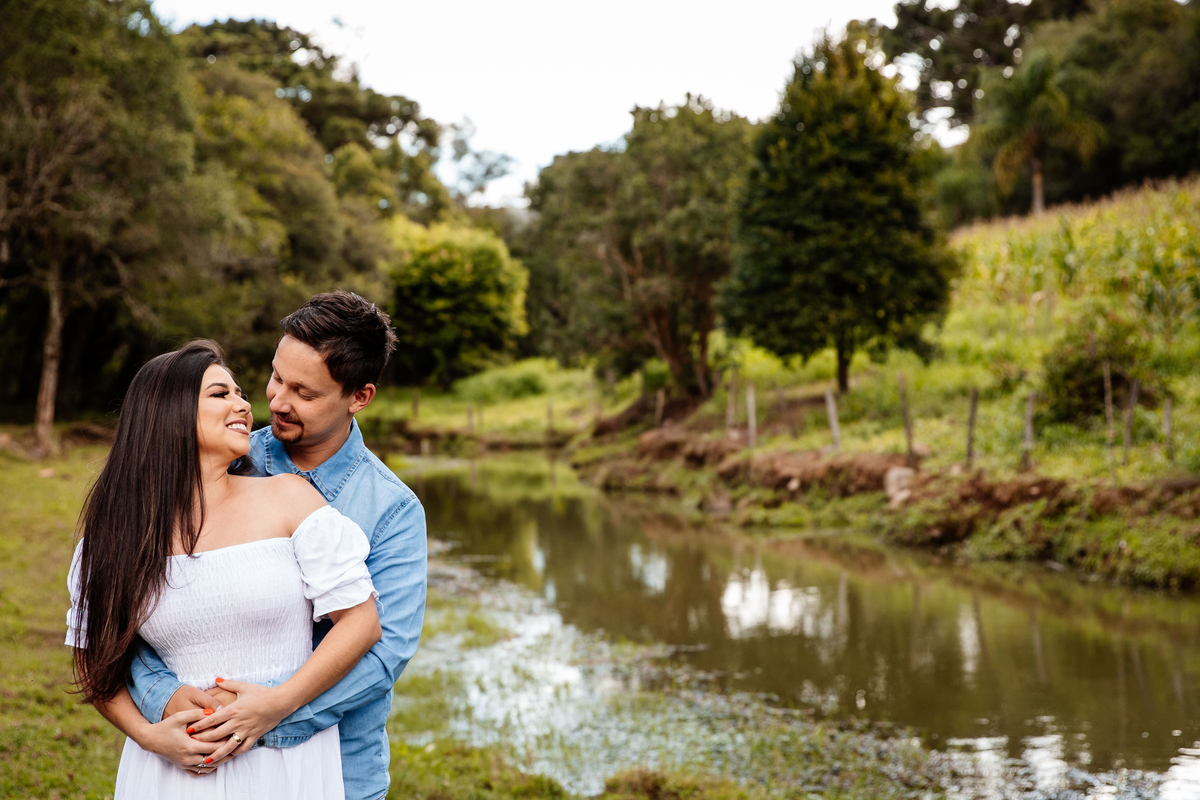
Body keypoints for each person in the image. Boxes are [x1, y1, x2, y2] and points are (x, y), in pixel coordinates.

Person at [126, 291, 428, 800]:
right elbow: (137, 609)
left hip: (339, 764)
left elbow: (384, 650)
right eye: (275, 377)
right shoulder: (225, 454)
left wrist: (271, 712)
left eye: (305, 393)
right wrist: (165, 698)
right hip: (195, 754)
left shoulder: (392, 509)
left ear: (360, 397)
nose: (277, 401)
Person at [66, 340, 382, 798]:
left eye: (239, 393)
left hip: (286, 767)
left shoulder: (288, 499)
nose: (245, 405)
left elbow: (362, 622)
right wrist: (149, 735)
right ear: (166, 411)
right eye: (221, 394)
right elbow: (94, 656)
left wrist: (276, 704)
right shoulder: (116, 535)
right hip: (171, 771)